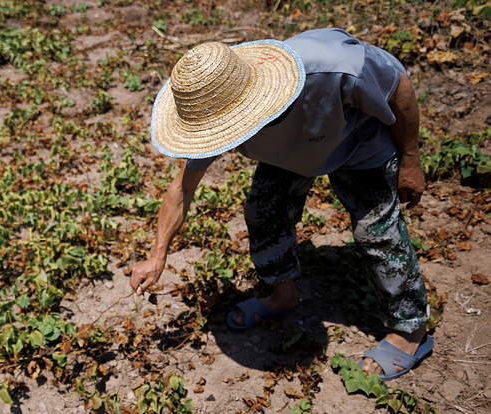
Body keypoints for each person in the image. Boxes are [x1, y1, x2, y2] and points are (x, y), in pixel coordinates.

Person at [129, 28, 433, 381]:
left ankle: (411, 331)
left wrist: (411, 160)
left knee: (376, 232)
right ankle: (282, 294)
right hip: (290, 153)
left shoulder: (335, 69)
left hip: (358, 139)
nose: (221, 138)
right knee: (264, 209)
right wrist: (157, 254)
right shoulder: (211, 107)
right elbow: (182, 189)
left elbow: (400, 89)